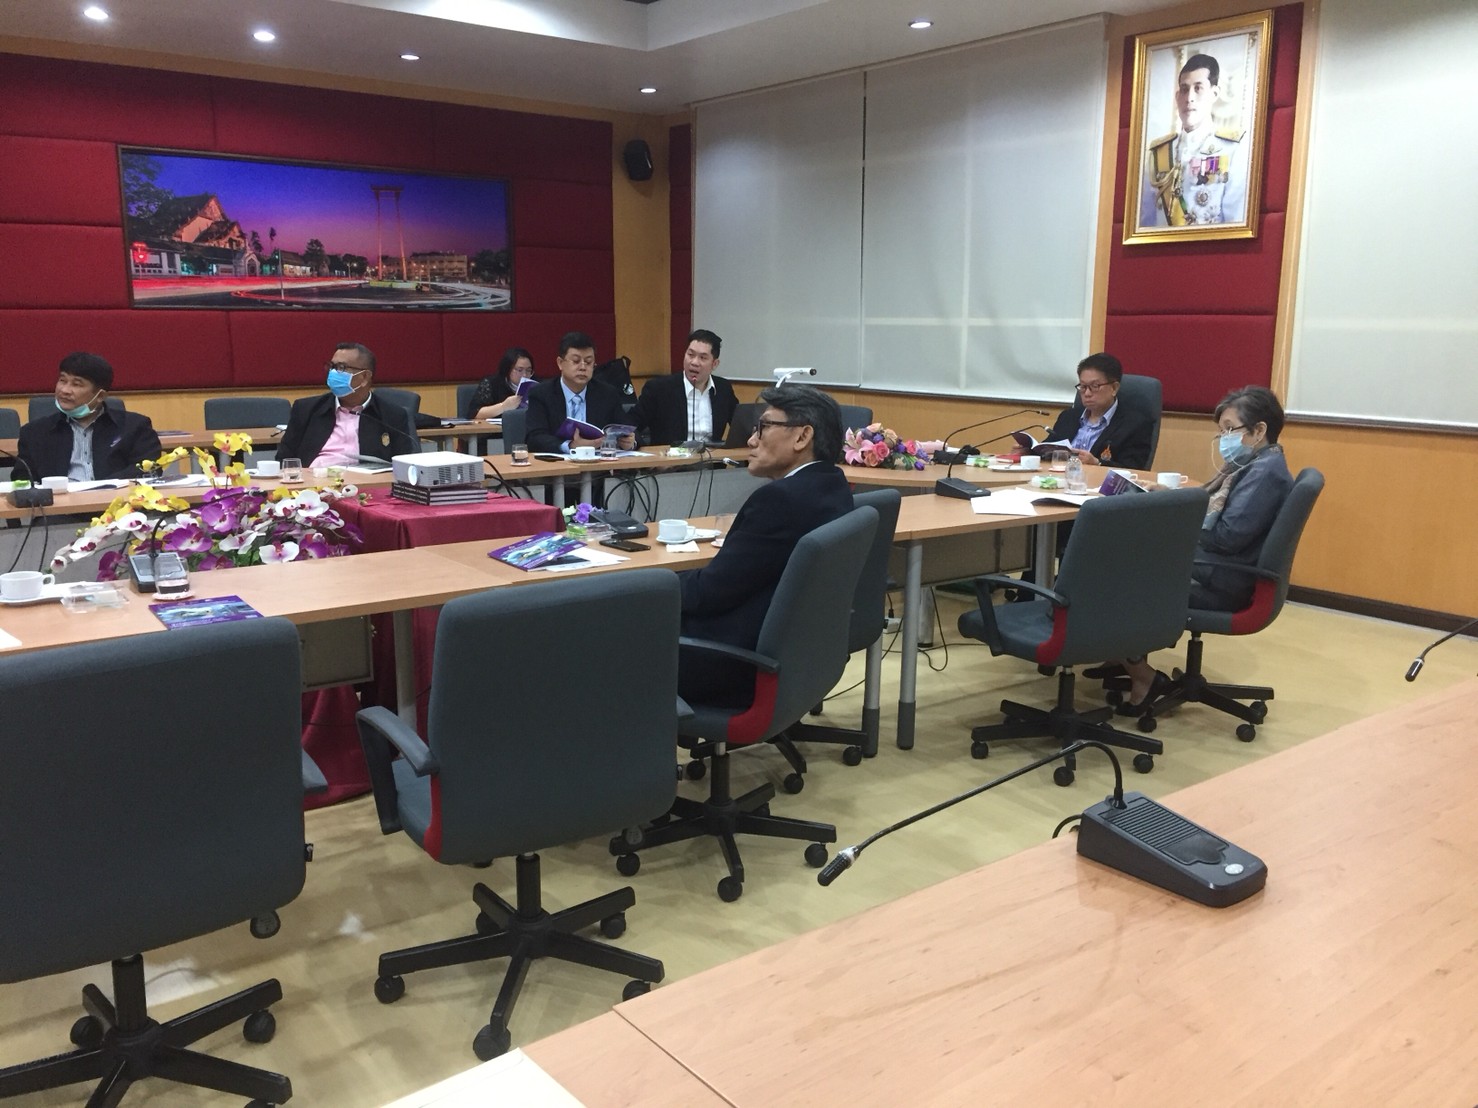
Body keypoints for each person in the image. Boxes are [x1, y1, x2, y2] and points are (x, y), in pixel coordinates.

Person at [677, 384, 855, 708]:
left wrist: (651, 587)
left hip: (727, 663)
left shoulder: (779, 501)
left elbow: (709, 593)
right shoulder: (833, 485)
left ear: (802, 437)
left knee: (612, 621)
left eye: (763, 427)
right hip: (794, 659)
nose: (751, 440)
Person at [1120, 385, 1292, 709]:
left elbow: (1226, 537)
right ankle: (1121, 655)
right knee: (1130, 557)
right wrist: (1172, 499)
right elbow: (1214, 513)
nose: (1224, 438)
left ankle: (1141, 675)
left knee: (1119, 578)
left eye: (1230, 429)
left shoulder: (1264, 474)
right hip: (1222, 568)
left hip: (1225, 580)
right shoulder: (1253, 464)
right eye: (1221, 431)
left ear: (1259, 431)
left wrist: (1177, 522)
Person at [1140, 52, 1248, 229]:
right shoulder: (1158, 153)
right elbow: (1145, 222)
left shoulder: (1232, 149)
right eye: (1184, 89)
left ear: (1214, 94)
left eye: (1198, 88)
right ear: (1177, 97)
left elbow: (1235, 221)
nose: (1189, 98)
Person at [16, 352, 162, 480]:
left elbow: (150, 469)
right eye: (62, 380)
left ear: (100, 396)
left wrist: (102, 488)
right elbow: (22, 480)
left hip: (115, 500)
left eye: (77, 384)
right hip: (58, 502)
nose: (65, 390)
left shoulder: (135, 427)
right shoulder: (34, 433)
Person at [277, 342, 419, 467]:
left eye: (341, 367)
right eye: (332, 366)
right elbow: (284, 461)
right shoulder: (306, 409)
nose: (333, 372)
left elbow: (404, 466)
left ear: (364, 377)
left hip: (366, 485)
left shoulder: (392, 415)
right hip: (315, 482)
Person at [524, 332, 634, 455]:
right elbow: (534, 439)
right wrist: (570, 445)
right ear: (560, 363)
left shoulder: (607, 394)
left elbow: (628, 429)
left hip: (598, 463)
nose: (583, 367)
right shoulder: (541, 394)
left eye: (588, 362)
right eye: (576, 361)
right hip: (557, 464)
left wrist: (630, 442)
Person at [1047, 352, 1154, 470]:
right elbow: (1046, 451)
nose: (1087, 393)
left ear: (1114, 388)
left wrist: (1097, 463)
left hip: (1100, 481)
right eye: (1083, 386)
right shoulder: (1068, 417)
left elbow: (1132, 469)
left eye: (1095, 386)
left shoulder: (1136, 425)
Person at [632, 329, 739, 446]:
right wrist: (634, 443)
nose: (694, 362)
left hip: (711, 457)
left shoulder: (723, 389)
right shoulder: (659, 389)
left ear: (714, 364)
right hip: (669, 457)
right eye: (690, 355)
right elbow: (630, 425)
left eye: (703, 358)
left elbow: (741, 425)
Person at [464, 347, 536, 421]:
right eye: (520, 370)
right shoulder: (493, 383)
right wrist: (503, 406)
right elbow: (474, 414)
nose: (524, 375)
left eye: (528, 370)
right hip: (495, 428)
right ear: (508, 369)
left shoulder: (536, 385)